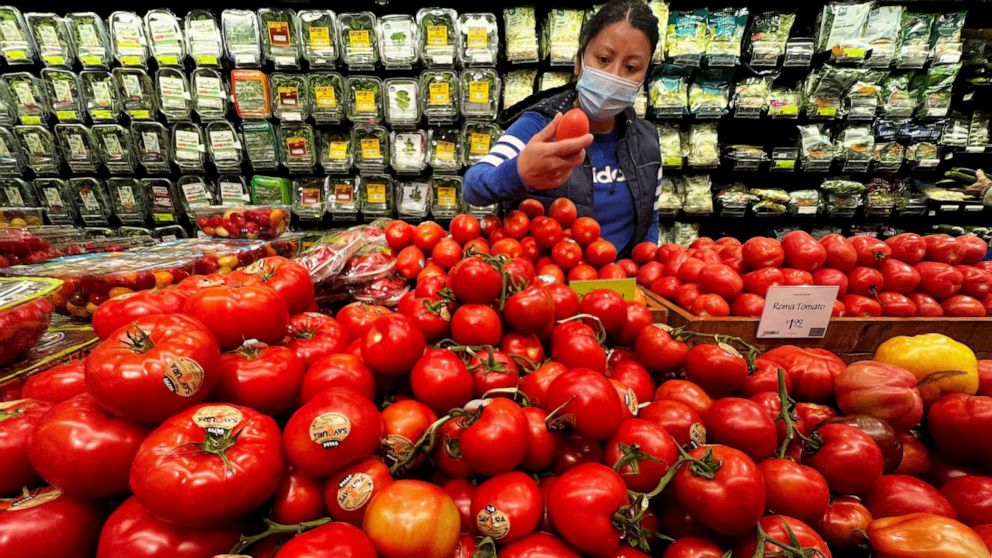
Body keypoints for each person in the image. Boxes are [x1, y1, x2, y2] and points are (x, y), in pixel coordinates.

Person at [463, 0, 662, 256]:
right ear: (579, 62)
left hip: (621, 289)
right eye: (603, 59)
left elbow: (650, 220)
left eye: (631, 67)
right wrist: (519, 171)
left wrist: (648, 270)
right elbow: (474, 186)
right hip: (549, 289)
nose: (614, 75)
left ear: (644, 77)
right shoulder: (539, 126)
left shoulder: (646, 140)